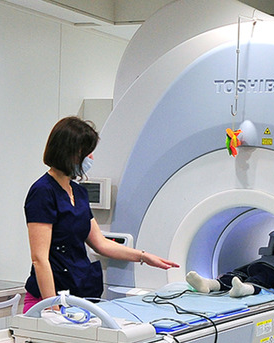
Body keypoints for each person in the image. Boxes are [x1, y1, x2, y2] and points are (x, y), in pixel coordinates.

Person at [24, 116, 177, 312]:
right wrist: (53, 307)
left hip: (78, 293)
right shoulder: (43, 192)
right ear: (69, 153)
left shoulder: (78, 192)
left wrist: (143, 257)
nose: (92, 159)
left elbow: (101, 244)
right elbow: (39, 258)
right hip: (48, 298)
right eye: (88, 153)